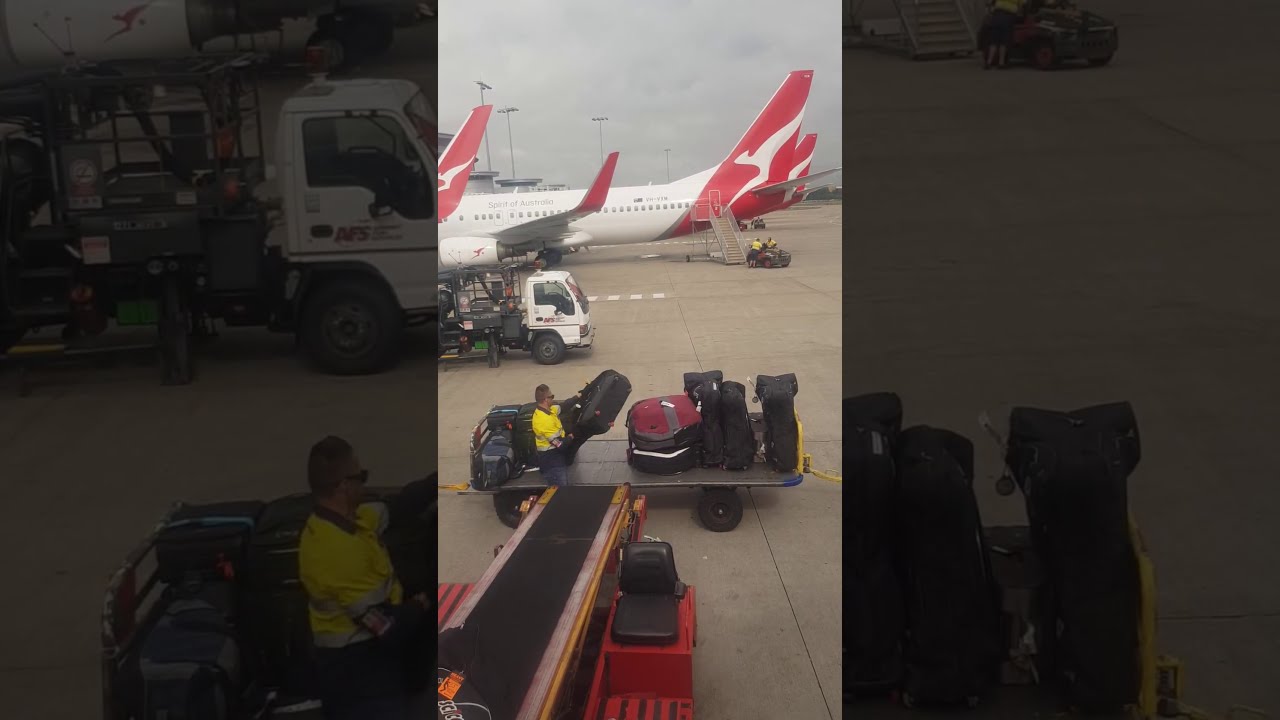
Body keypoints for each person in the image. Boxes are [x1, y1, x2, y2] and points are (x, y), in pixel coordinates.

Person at [298, 436, 429, 720]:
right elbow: (384, 627)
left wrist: (432, 484)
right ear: (345, 486)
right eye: (362, 476)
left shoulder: (344, 521)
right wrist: (419, 606)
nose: (366, 484)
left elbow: (394, 509)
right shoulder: (337, 551)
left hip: (358, 659)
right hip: (357, 668)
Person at [532, 384, 573, 486]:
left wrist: (578, 397)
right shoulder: (544, 420)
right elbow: (559, 445)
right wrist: (570, 438)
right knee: (560, 493)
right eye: (552, 396)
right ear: (546, 399)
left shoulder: (547, 411)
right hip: (552, 462)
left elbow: (563, 406)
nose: (553, 399)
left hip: (553, 458)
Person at [986, 0, 1024, 69]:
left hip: (996, 15)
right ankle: (1001, 63)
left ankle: (988, 62)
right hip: (1008, 16)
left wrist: (990, 12)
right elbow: (1021, 6)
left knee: (993, 41)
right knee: (1003, 41)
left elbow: (990, 3)